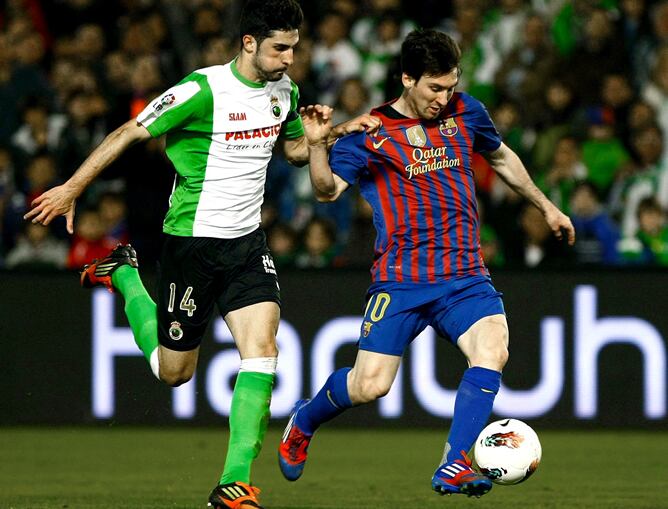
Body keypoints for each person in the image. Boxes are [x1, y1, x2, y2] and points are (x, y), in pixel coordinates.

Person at [23, 1, 378, 508]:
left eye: (295, 49)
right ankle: (125, 276)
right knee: (174, 372)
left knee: (263, 351)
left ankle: (233, 482)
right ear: (250, 43)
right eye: (280, 48)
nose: (290, 59)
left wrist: (327, 136)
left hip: (247, 244)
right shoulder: (202, 89)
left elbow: (296, 151)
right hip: (192, 246)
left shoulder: (286, 91)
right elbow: (129, 132)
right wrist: (72, 188)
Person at [278, 29, 575, 498]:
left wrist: (546, 206)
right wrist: (318, 145)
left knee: (493, 348)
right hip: (402, 280)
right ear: (407, 79)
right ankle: (305, 419)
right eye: (434, 88)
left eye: (450, 86)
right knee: (369, 385)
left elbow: (501, 158)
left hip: (464, 275)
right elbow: (326, 190)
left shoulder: (467, 111)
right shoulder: (373, 131)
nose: (444, 97)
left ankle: (454, 463)